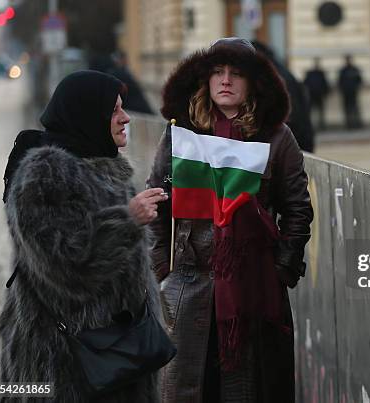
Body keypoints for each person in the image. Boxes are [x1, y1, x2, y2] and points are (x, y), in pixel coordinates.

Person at [148, 38, 313, 402]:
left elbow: (298, 208)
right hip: (189, 284)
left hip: (254, 287)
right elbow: (157, 200)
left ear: (253, 82)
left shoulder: (277, 137)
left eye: (236, 74)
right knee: (189, 386)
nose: (225, 81)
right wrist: (162, 265)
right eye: (217, 72)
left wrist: (281, 269)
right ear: (204, 80)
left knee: (250, 387)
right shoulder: (182, 133)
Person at [0, 70, 167, 402]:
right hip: (63, 365)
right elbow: (65, 265)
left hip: (117, 358)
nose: (126, 118)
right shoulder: (45, 175)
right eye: (115, 110)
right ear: (87, 115)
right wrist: (127, 220)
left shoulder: (105, 167)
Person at [252, 40, 315, 152]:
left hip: (292, 144)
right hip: (298, 141)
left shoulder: (272, 77)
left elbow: (291, 116)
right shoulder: (278, 71)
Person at [304, 57, 330, 131]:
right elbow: (306, 83)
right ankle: (311, 125)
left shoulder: (321, 73)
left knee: (320, 111)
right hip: (312, 95)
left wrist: (325, 93)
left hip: (319, 95)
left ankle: (321, 125)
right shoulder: (310, 73)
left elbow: (325, 84)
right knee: (312, 111)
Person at [338, 54, 363, 129]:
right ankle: (349, 125)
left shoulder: (354, 69)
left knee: (354, 109)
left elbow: (359, 80)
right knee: (347, 109)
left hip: (353, 92)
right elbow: (340, 82)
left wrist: (355, 88)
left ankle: (356, 124)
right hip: (346, 93)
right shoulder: (343, 70)